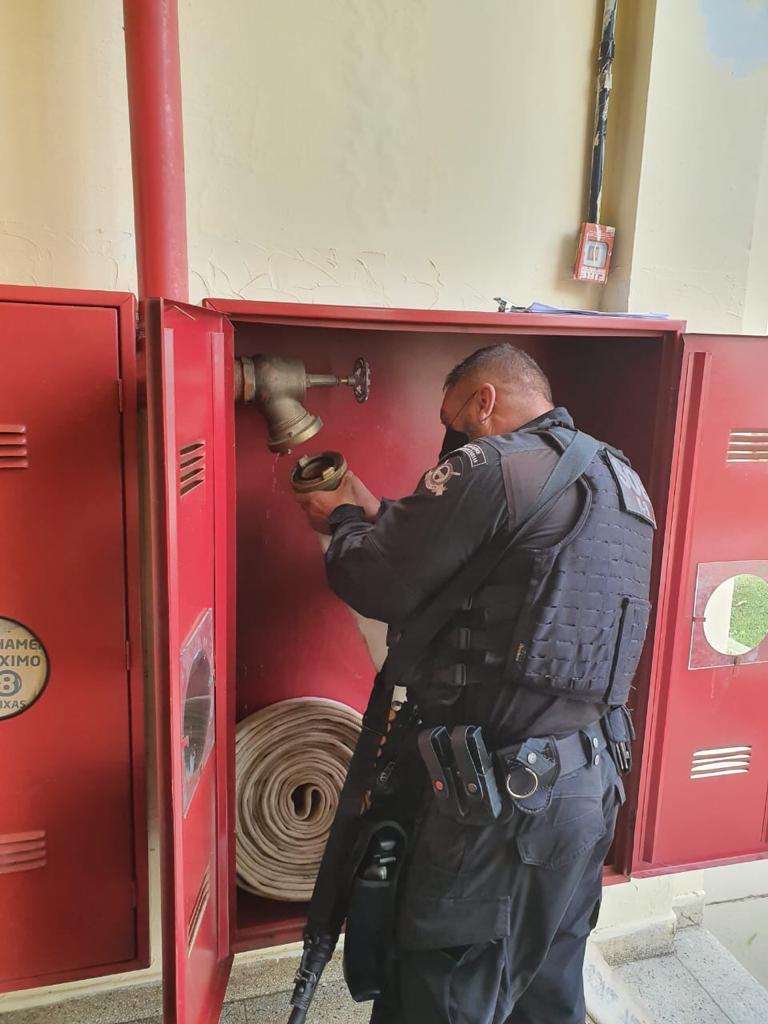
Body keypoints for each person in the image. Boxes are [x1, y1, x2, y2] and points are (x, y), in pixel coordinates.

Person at [295, 342, 654, 1024]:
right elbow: (507, 569)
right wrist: (380, 514)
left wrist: (341, 522)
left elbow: (376, 581)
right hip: (588, 783)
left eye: (455, 419)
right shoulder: (619, 478)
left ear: (484, 400)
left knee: (439, 993)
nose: (454, 437)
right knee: (544, 989)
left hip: (498, 807)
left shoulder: (491, 464)